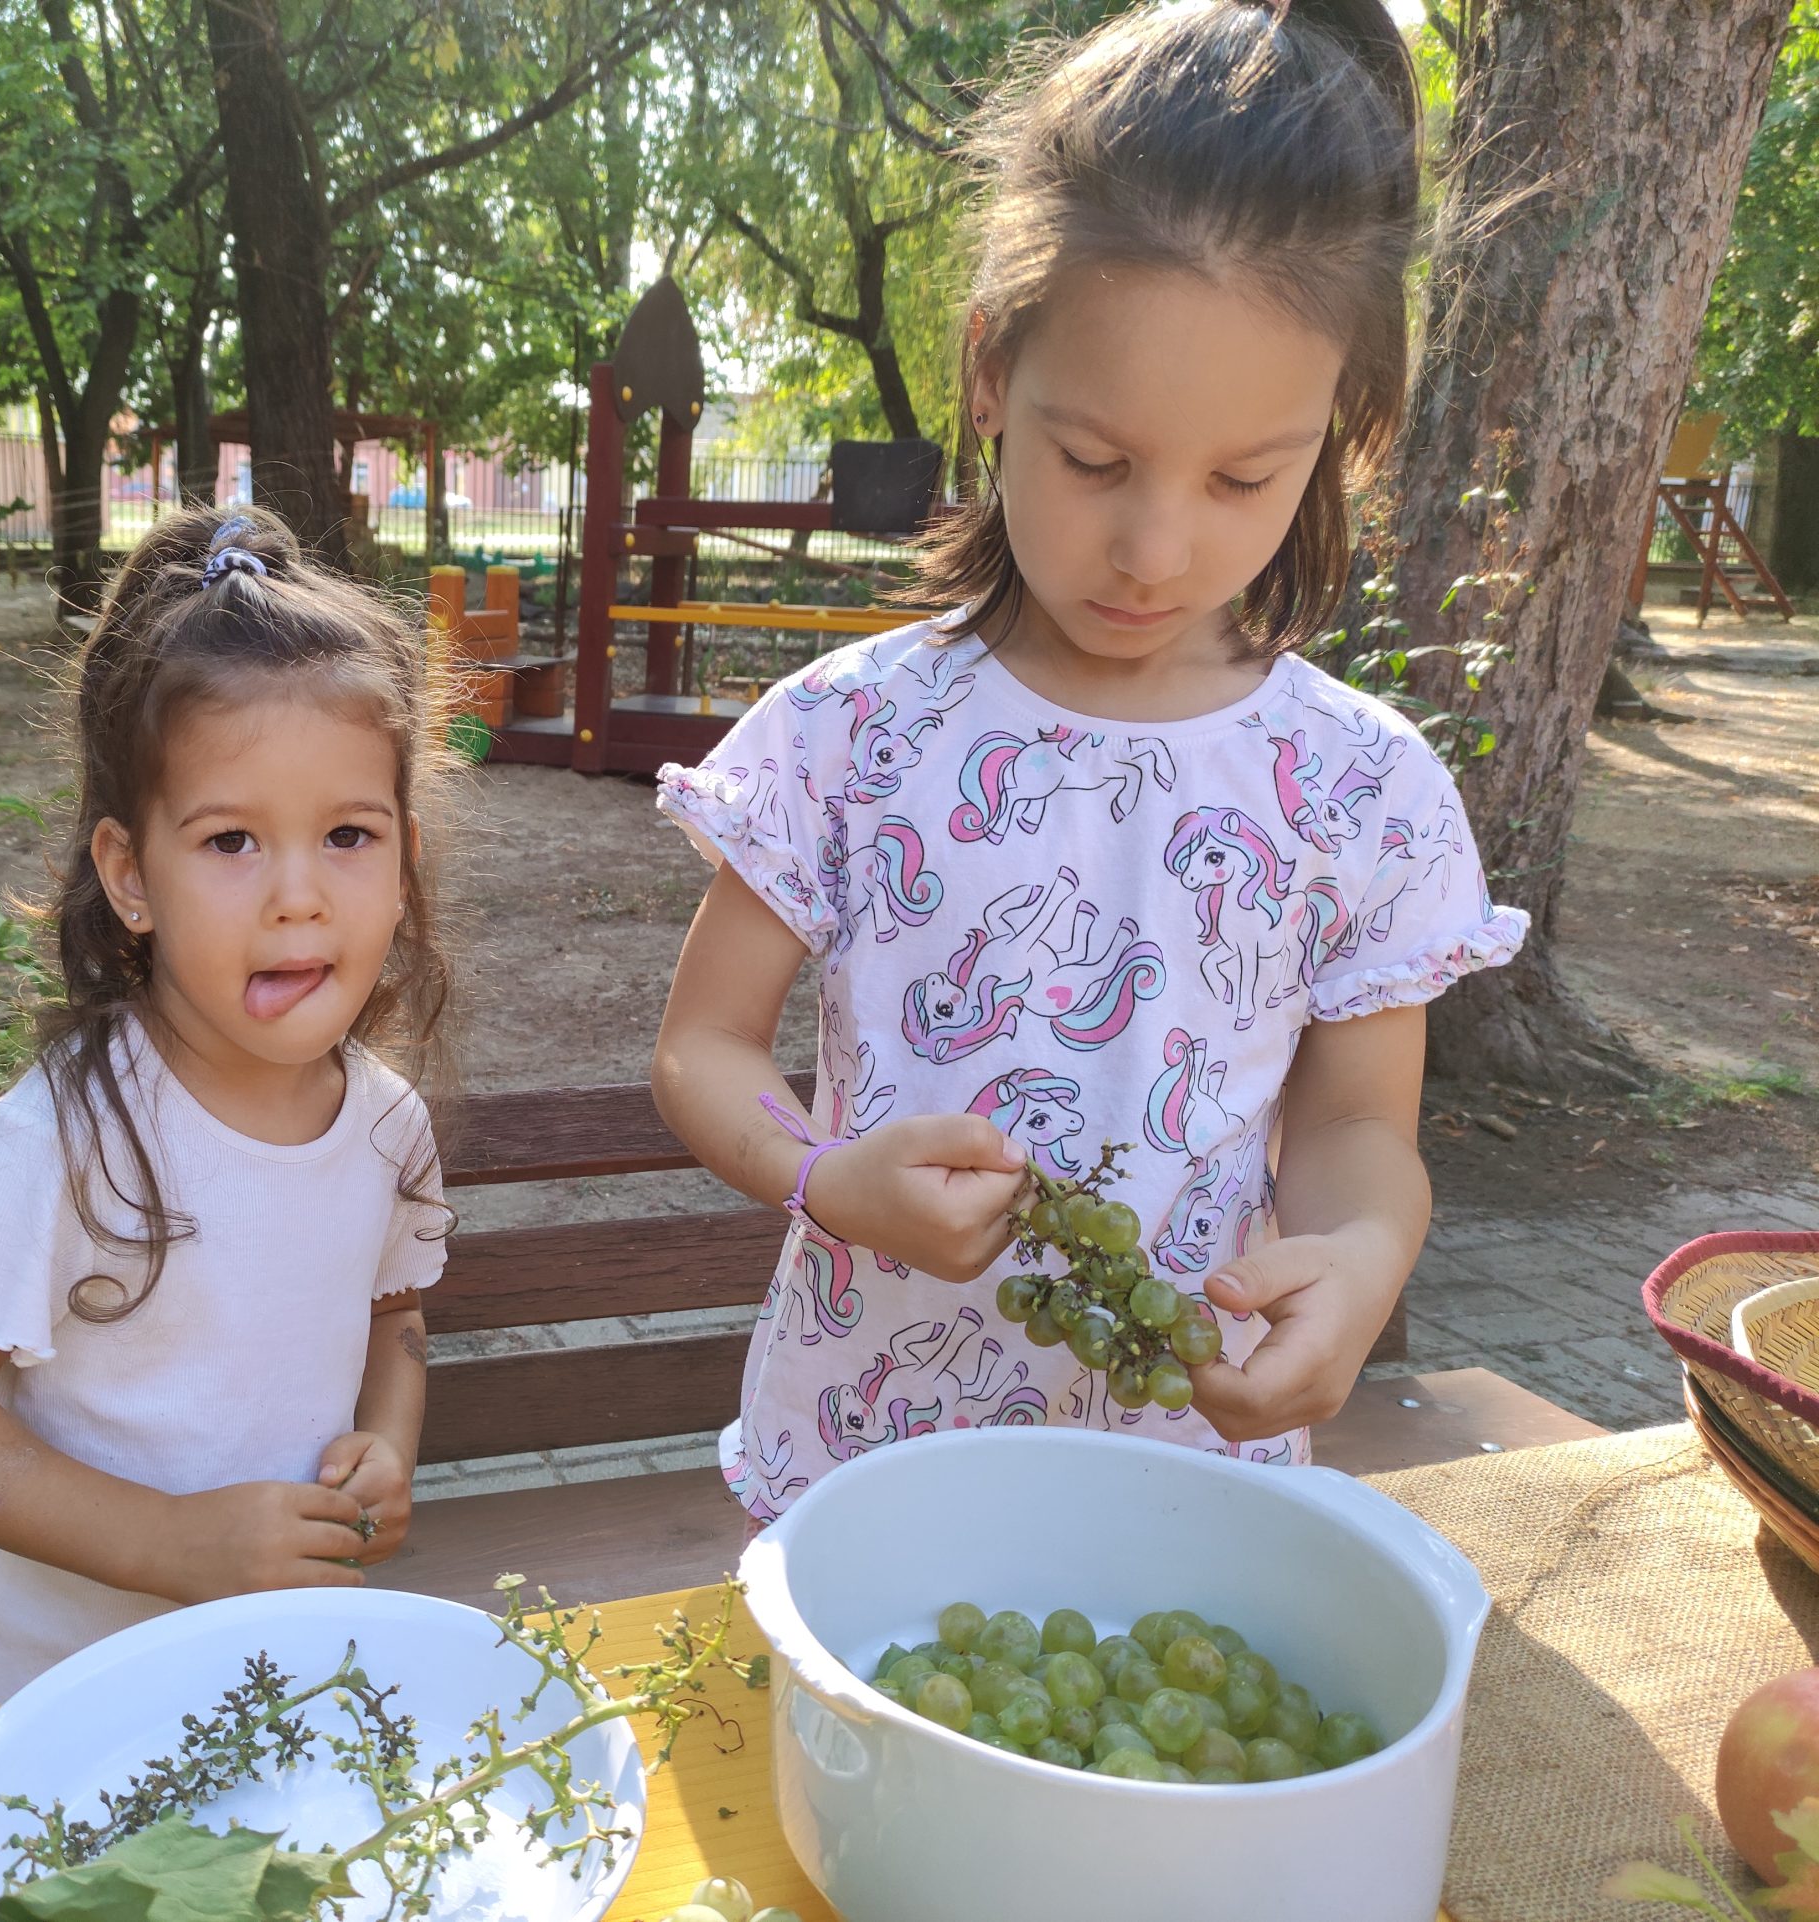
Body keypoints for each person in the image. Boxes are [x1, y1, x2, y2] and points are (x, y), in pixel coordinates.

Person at [650, 0, 1527, 1526]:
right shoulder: (851, 734)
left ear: (1342, 434)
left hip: (1186, 1483)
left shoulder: (1361, 790)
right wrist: (824, 1177)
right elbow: (703, 1049)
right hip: (870, 1475)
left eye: (1246, 476)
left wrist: (1363, 1260)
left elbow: (1353, 1130)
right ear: (993, 373)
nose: (1155, 544)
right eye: (1096, 460)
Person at [0, 506, 457, 1706]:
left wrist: (389, 1440)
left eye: (346, 835)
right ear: (131, 875)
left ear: (402, 863)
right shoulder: (63, 1136)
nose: (298, 897)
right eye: (231, 840)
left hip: (268, 1680)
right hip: (55, 1698)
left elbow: (395, 1314)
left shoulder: (387, 1126)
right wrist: (173, 1543)